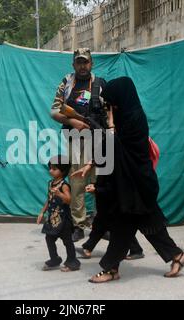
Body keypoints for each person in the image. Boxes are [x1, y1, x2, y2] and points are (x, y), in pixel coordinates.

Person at [72, 77, 184, 283]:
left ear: (121, 98)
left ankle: (111, 268)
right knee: (148, 221)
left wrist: (109, 124)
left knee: (122, 224)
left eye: (112, 102)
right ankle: (177, 255)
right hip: (133, 183)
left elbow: (115, 147)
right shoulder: (126, 115)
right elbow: (110, 149)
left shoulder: (134, 120)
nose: (111, 107)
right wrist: (91, 163)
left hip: (136, 184)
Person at [50, 48, 107, 242]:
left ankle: (103, 224)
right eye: (79, 62)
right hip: (75, 139)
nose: (83, 66)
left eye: (86, 62)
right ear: (73, 64)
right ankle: (79, 225)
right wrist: (73, 122)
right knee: (77, 183)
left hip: (99, 139)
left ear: (92, 64)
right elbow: (55, 111)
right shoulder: (67, 83)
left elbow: (109, 112)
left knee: (101, 182)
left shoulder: (100, 84)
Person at [78, 180, 145, 261]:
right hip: (109, 200)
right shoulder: (106, 169)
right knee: (100, 223)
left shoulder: (118, 169)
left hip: (118, 201)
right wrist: (95, 186)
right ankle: (88, 247)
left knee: (121, 228)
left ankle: (136, 250)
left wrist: (97, 189)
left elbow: (115, 186)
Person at [37, 156, 81, 272]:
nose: (50, 170)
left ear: (63, 170)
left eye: (54, 168)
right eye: (50, 168)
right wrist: (42, 212)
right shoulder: (51, 183)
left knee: (67, 241)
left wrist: (60, 194)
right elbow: (49, 199)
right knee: (49, 238)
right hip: (52, 218)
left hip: (63, 220)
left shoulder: (64, 185)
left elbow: (68, 199)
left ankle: (72, 262)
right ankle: (55, 259)